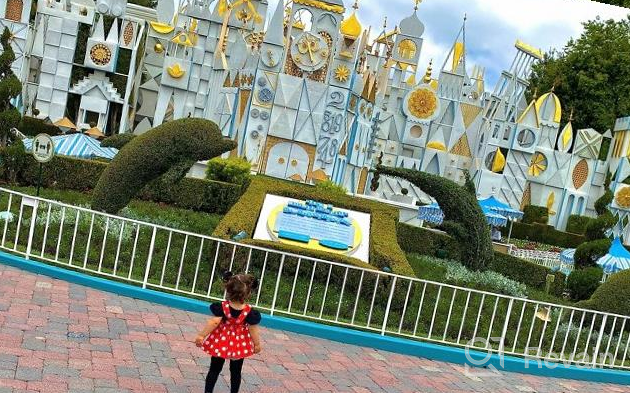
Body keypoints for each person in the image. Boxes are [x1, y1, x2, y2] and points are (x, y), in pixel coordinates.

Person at [195, 272, 262, 393]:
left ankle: (208, 391)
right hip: (239, 344)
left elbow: (214, 322)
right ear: (248, 293)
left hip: (220, 341)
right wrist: (256, 344)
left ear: (228, 290)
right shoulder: (249, 312)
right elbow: (253, 329)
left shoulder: (221, 307)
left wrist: (201, 335)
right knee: (236, 372)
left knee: (214, 369)